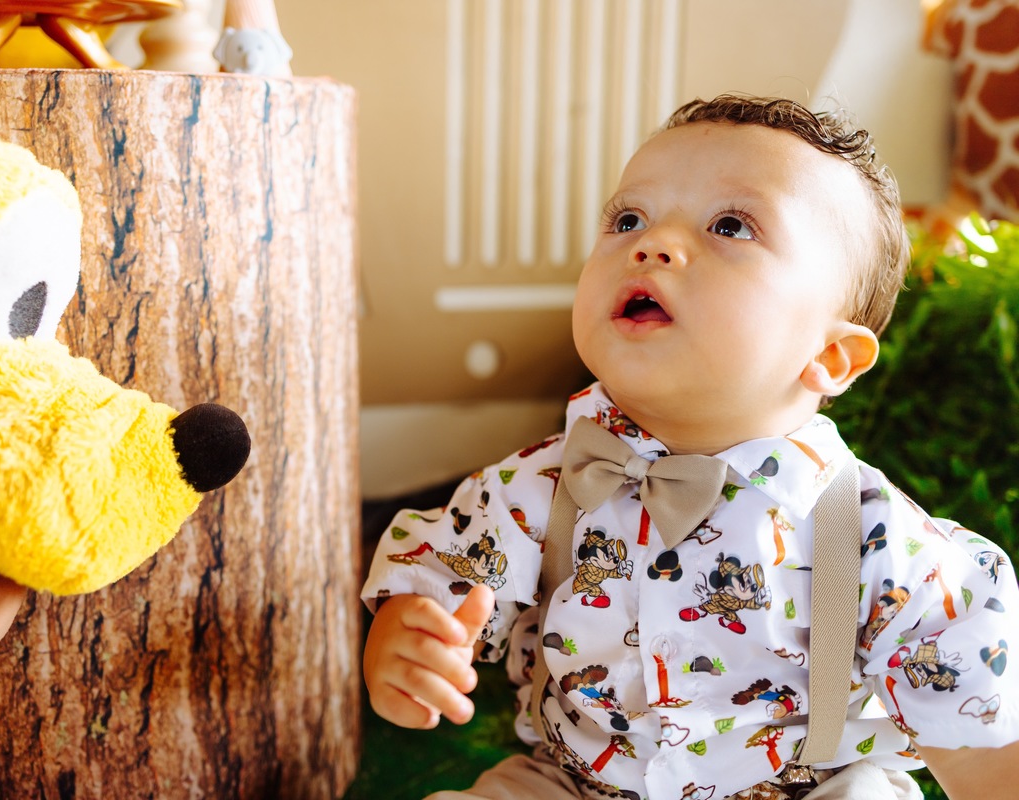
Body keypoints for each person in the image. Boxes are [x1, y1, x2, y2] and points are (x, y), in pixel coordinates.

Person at [360, 95, 1019, 800]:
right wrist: (410, 645)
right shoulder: (541, 485)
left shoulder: (872, 533)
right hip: (575, 780)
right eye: (627, 219)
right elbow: (440, 580)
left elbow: (978, 739)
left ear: (830, 356)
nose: (652, 243)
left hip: (805, 787)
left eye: (731, 226)